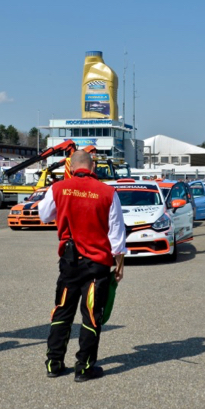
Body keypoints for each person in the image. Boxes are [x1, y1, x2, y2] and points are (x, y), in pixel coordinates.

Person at [38, 150, 126, 382]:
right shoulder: (108, 192)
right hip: (97, 265)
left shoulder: (58, 188)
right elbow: (116, 232)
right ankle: (84, 368)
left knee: (62, 311)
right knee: (91, 316)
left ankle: (54, 363)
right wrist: (120, 262)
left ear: (72, 166)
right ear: (92, 166)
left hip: (69, 262)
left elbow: (44, 215)